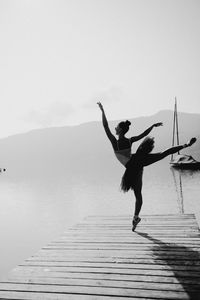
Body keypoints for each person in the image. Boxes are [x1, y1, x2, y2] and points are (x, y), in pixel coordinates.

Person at [97, 102, 197, 231]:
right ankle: (185, 145)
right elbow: (143, 134)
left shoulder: (114, 142)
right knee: (163, 154)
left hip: (133, 166)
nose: (114, 128)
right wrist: (152, 126)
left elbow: (105, 126)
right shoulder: (129, 140)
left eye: (116, 127)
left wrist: (102, 110)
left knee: (138, 195)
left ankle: (136, 217)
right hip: (137, 163)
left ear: (120, 130)